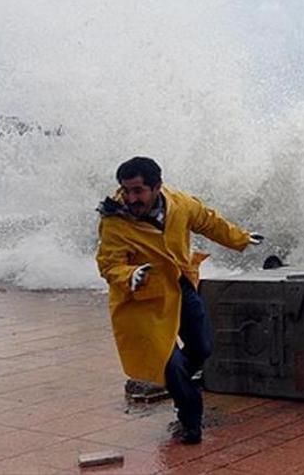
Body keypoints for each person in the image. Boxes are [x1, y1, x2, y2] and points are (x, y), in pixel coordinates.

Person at [95, 156, 262, 444]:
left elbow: (209, 222)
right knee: (169, 363)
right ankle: (190, 420)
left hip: (179, 285)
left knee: (202, 346)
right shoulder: (114, 222)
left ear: (157, 186)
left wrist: (240, 239)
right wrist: (129, 274)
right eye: (126, 190)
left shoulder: (180, 204)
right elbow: (109, 264)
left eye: (138, 191)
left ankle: (177, 380)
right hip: (142, 300)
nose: (131, 198)